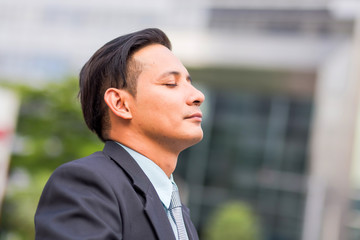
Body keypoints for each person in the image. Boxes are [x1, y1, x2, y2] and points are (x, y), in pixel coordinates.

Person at [34, 28, 204, 240]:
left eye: (190, 83)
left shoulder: (178, 211)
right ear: (120, 104)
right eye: (171, 83)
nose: (198, 96)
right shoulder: (86, 185)